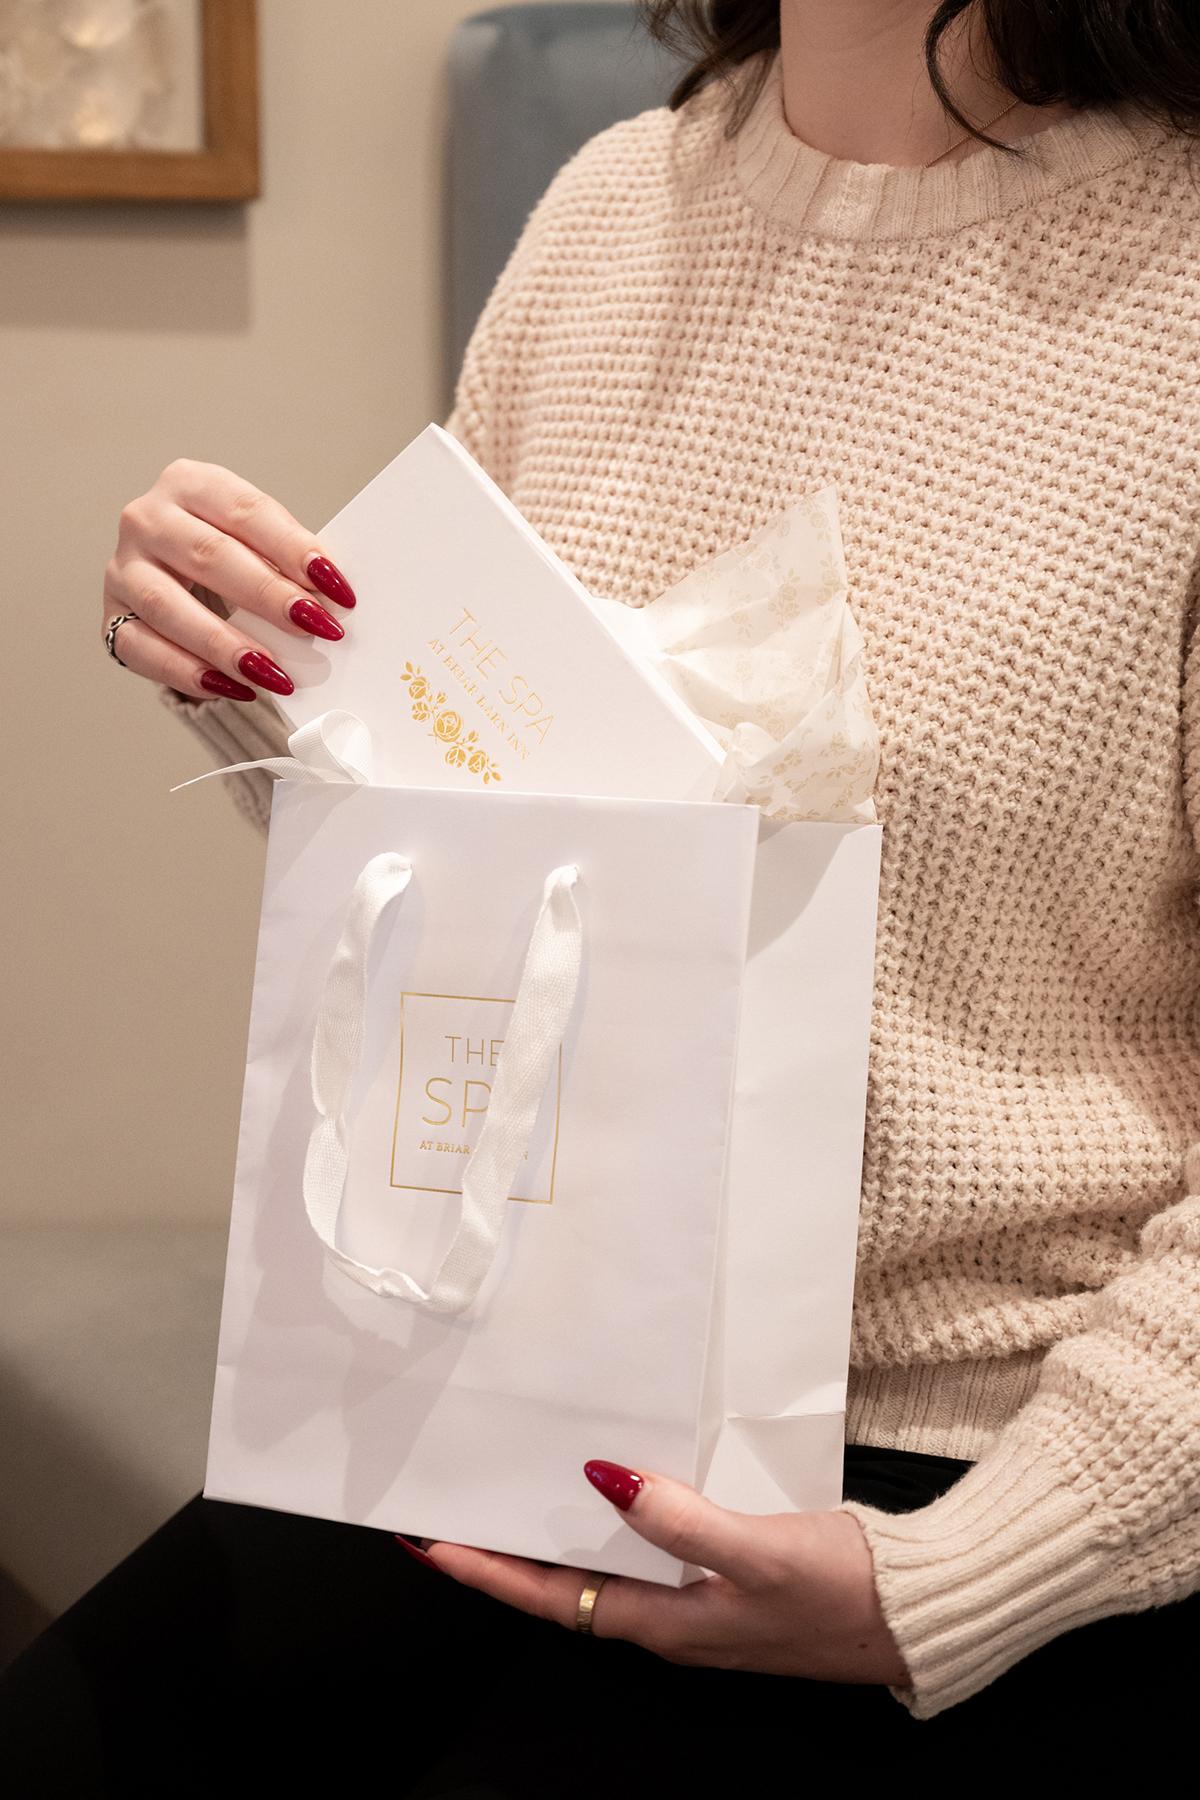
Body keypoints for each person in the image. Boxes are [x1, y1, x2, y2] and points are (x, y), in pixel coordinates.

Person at [5, 0, 1199, 1789]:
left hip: (988, 1481)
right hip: (519, 1400)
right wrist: (261, 675)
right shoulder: (614, 208)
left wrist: (976, 1567)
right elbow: (534, 868)